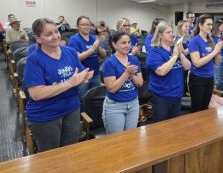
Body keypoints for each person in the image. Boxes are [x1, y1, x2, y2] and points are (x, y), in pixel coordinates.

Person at [24, 18, 93, 152]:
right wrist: (70, 83)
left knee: (69, 151)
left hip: (71, 109)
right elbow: (36, 94)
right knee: (51, 156)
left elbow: (79, 74)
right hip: (46, 115)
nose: (55, 36)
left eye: (56, 31)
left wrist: (84, 77)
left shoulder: (70, 52)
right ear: (38, 38)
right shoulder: (35, 59)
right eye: (49, 34)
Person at [146, 22, 191, 122]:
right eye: (168, 32)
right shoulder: (154, 51)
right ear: (160, 35)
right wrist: (175, 56)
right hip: (161, 96)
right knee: (161, 128)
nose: (171, 34)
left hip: (177, 94)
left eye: (172, 32)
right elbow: (161, 71)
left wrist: (180, 53)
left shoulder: (173, 49)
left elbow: (187, 66)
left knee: (174, 126)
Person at [101, 31, 143, 134]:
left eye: (129, 42)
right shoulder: (109, 63)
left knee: (130, 137)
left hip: (133, 104)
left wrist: (132, 74)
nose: (127, 45)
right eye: (123, 43)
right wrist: (126, 73)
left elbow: (140, 83)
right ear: (114, 44)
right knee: (116, 141)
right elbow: (112, 88)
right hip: (115, 106)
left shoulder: (134, 59)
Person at [189, 14, 223, 112]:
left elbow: (217, 62)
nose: (211, 27)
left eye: (211, 24)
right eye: (208, 24)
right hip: (198, 79)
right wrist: (214, 52)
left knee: (205, 108)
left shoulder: (210, 40)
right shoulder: (195, 41)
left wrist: (218, 49)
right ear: (200, 25)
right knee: (197, 109)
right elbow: (197, 63)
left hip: (209, 78)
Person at [68, 16, 107, 102]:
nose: (86, 27)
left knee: (95, 99)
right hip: (82, 76)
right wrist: (92, 49)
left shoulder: (94, 38)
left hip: (95, 74)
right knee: (83, 99)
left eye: (88, 24)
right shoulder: (74, 40)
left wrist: (98, 47)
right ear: (78, 26)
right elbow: (77, 58)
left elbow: (104, 55)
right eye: (83, 25)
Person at [211, 20, 223, 91]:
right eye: (222, 26)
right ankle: (215, 95)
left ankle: (221, 94)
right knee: (217, 79)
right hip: (216, 59)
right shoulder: (212, 37)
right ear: (217, 26)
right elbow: (213, 49)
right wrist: (221, 46)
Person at [175, 20, 191, 95]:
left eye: (188, 26)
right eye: (186, 26)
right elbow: (182, 53)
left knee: (184, 82)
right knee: (182, 82)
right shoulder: (179, 38)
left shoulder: (186, 37)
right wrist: (193, 46)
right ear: (180, 27)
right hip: (181, 64)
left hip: (187, 62)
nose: (188, 28)